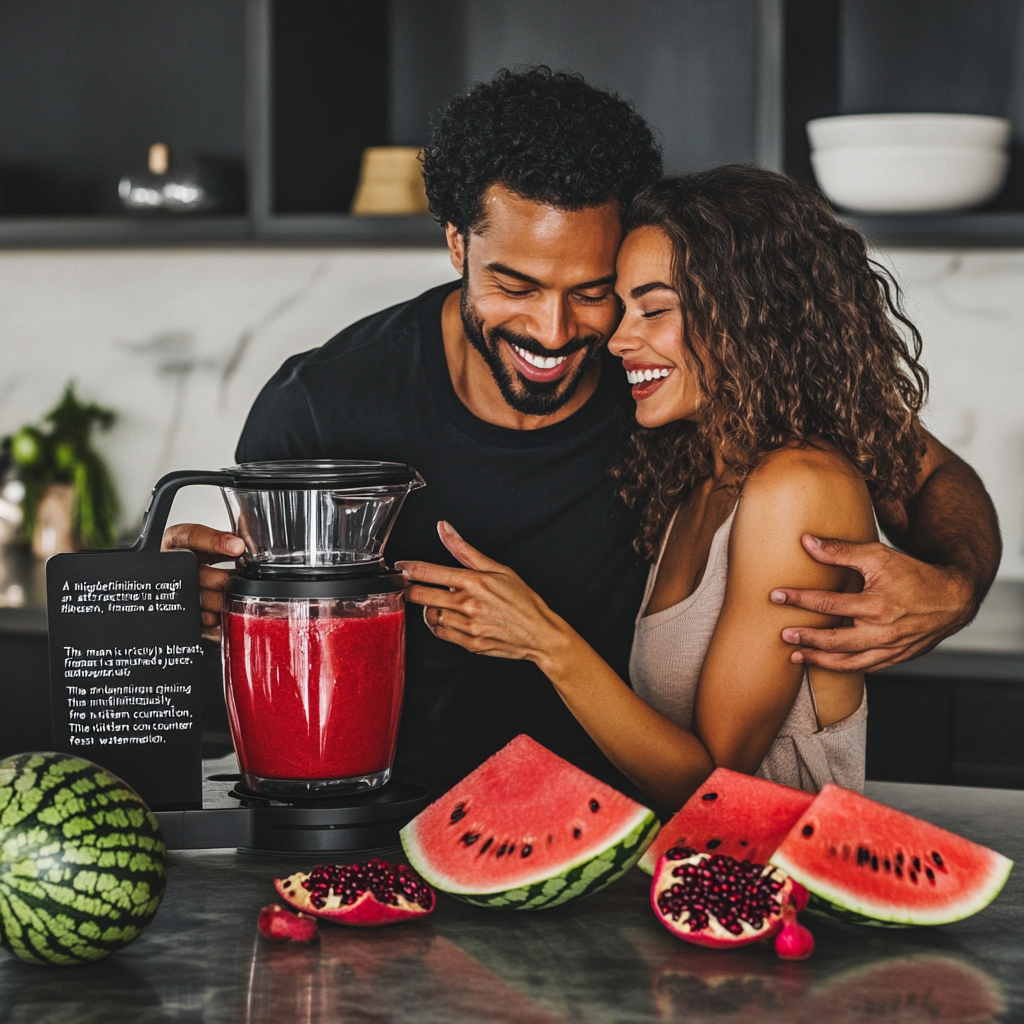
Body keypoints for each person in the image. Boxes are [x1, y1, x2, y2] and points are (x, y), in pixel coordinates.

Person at [163, 68, 1001, 802]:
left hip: (627, 839)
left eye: (598, 291)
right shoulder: (323, 403)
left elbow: (919, 470)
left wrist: (958, 581)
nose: (556, 330)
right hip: (395, 819)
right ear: (456, 241)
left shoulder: (681, 391)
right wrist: (204, 598)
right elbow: (270, 631)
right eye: (515, 284)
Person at [400, 166, 955, 808]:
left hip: (774, 882)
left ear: (752, 316)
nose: (618, 339)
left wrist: (543, 641)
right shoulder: (700, 472)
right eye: (624, 305)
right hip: (686, 878)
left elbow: (714, 781)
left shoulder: (798, 486)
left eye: (655, 310)